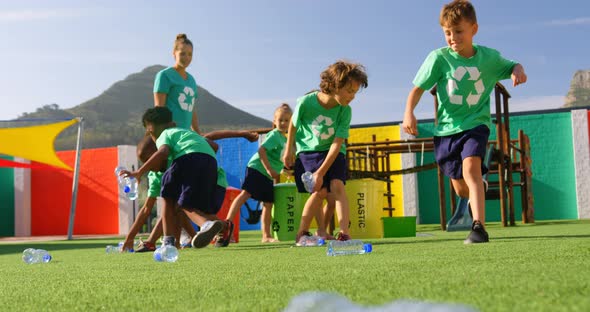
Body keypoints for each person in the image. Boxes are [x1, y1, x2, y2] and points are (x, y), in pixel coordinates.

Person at [401, 0, 527, 244]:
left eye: (458, 31)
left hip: (476, 125)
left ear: (474, 29)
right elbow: (417, 89)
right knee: (460, 188)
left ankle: (479, 227)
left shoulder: (488, 58)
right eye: (447, 33)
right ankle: (475, 193)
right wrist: (409, 112)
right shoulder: (438, 58)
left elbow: (512, 64)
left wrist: (518, 71)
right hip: (447, 130)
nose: (452, 37)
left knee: (471, 168)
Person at [127, 130, 259, 252]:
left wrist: (242, 134)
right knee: (189, 208)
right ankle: (223, 227)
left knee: (183, 205)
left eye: (149, 160)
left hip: (214, 180)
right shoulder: (156, 175)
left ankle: (205, 226)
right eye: (144, 163)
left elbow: (212, 137)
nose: (149, 166)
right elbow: (150, 210)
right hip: (210, 179)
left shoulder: (181, 150)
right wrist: (131, 238)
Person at [282, 61, 368, 244]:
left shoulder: (345, 110)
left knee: (338, 187)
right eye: (350, 91)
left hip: (334, 152)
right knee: (318, 192)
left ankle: (344, 233)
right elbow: (294, 124)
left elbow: (337, 144)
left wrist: (321, 172)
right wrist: (289, 149)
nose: (352, 97)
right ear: (335, 84)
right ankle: (302, 233)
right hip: (309, 152)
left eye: (355, 92)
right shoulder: (306, 102)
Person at [121, 106, 224, 248]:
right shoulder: (186, 132)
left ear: (150, 129)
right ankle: (204, 227)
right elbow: (214, 146)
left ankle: (172, 240)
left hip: (187, 159)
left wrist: (139, 172)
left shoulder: (165, 134)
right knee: (184, 203)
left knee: (169, 199)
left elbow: (163, 152)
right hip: (210, 162)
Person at [216, 104, 293, 246]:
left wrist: (283, 170)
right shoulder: (275, 135)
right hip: (257, 169)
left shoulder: (284, 139)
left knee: (268, 204)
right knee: (244, 195)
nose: (283, 123)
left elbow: (276, 158)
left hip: (267, 174)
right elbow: (262, 151)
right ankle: (226, 228)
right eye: (280, 120)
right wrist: (270, 170)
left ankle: (266, 235)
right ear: (274, 121)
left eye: (287, 120)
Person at [154, 33, 201, 133]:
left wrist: (198, 134)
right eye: (182, 54)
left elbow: (191, 110)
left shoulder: (192, 80)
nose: (187, 57)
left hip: (186, 134)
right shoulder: (165, 75)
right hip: (170, 133)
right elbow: (159, 109)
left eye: (190, 54)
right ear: (174, 53)